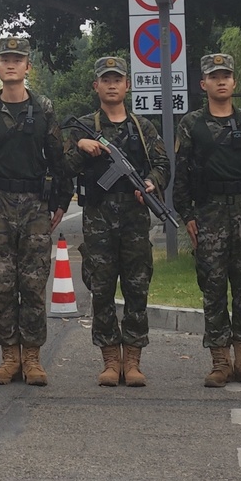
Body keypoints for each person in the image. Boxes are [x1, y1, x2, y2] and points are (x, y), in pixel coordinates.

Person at [0, 36, 71, 386]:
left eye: (18, 59)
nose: (11, 64)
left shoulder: (43, 108)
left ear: (28, 67)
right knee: (2, 282)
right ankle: (9, 356)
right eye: (5, 59)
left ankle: (33, 358)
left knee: (34, 282)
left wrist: (60, 202)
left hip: (35, 204)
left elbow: (58, 156)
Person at [173, 52, 241, 389]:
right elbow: (182, 174)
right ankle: (220, 362)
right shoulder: (191, 124)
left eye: (226, 76)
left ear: (234, 82)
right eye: (214, 76)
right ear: (203, 83)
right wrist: (187, 215)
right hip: (209, 214)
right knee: (213, 288)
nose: (221, 81)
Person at [65, 54, 167, 387]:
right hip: (98, 217)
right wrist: (81, 146)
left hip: (134, 218)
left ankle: (133, 360)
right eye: (106, 80)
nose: (112, 85)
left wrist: (151, 182)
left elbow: (162, 164)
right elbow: (64, 167)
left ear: (127, 85)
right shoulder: (84, 126)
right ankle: (110, 360)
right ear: (96, 86)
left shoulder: (142, 127)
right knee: (102, 288)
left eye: (117, 79)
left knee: (137, 286)